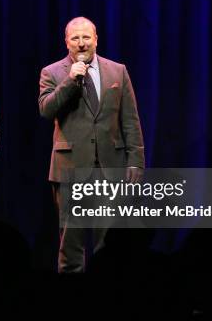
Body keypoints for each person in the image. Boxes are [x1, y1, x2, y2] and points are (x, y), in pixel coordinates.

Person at [38, 17, 145, 273]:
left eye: (86, 37)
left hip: (110, 167)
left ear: (96, 39)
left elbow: (130, 120)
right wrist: (71, 81)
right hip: (71, 167)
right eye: (75, 38)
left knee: (108, 242)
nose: (82, 43)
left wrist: (136, 162)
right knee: (71, 242)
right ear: (67, 42)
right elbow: (46, 109)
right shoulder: (52, 72)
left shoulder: (117, 70)